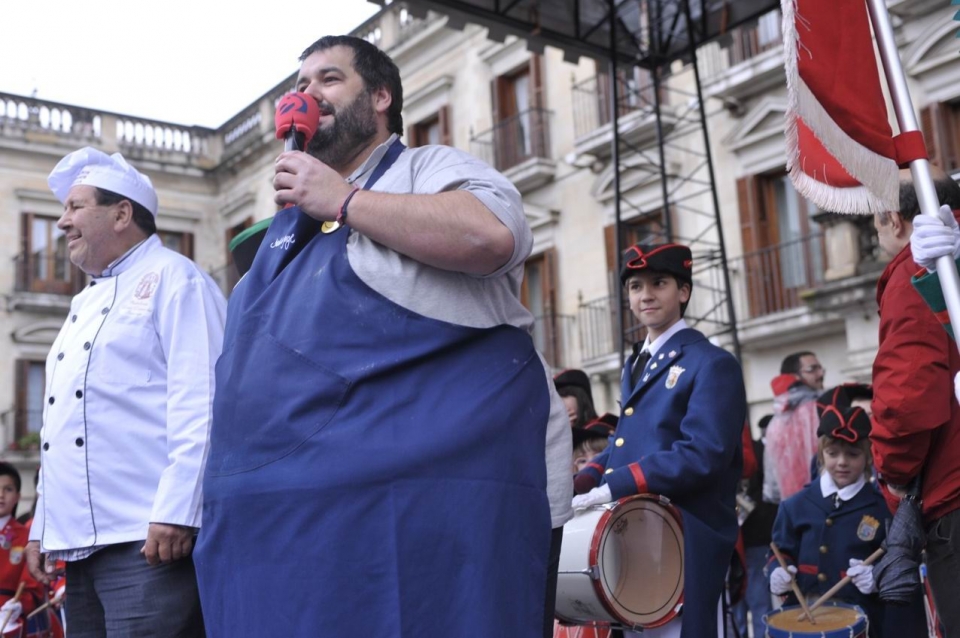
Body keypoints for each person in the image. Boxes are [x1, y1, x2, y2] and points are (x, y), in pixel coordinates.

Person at [193, 35, 573, 638]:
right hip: (276, 540)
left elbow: (491, 235)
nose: (306, 95)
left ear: (380, 97)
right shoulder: (277, 239)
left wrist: (342, 198)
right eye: (299, 86)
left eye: (327, 80)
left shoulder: (429, 169)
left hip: (421, 525)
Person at [24, 147, 226, 637]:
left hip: (150, 540)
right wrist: (42, 529)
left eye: (75, 207)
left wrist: (180, 510)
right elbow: (61, 424)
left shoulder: (178, 279)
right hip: (79, 548)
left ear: (121, 214)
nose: (62, 222)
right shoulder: (84, 303)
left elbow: (204, 400)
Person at [572, 243, 747, 638]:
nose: (645, 295)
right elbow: (626, 439)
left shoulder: (712, 363)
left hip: (685, 539)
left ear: (683, 291)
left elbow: (704, 453)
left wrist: (613, 485)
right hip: (636, 535)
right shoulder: (637, 362)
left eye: (659, 283)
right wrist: (583, 482)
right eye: (635, 286)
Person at [870, 170, 960, 637]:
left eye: (877, 225)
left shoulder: (919, 269)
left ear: (894, 219)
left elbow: (908, 401)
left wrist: (893, 473)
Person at [768, 405, 925, 638]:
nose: (842, 462)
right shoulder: (794, 506)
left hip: (865, 622)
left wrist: (877, 576)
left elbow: (898, 560)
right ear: (821, 454)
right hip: (807, 621)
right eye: (833, 453)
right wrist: (777, 573)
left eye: (853, 454)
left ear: (869, 456)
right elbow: (780, 552)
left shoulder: (883, 507)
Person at [733, 415, 777, 638]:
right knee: (736, 609)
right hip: (735, 540)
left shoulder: (758, 453)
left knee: (758, 605)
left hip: (755, 539)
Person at [0, 463, 44, 635]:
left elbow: (31, 581)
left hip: (10, 615)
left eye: (8, 489)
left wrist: (19, 604)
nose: (1, 495)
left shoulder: (27, 535)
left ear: (18, 496)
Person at [764, 367, 820, 501]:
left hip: (790, 497)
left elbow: (771, 471)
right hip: (820, 489)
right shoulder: (815, 410)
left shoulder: (773, 424)